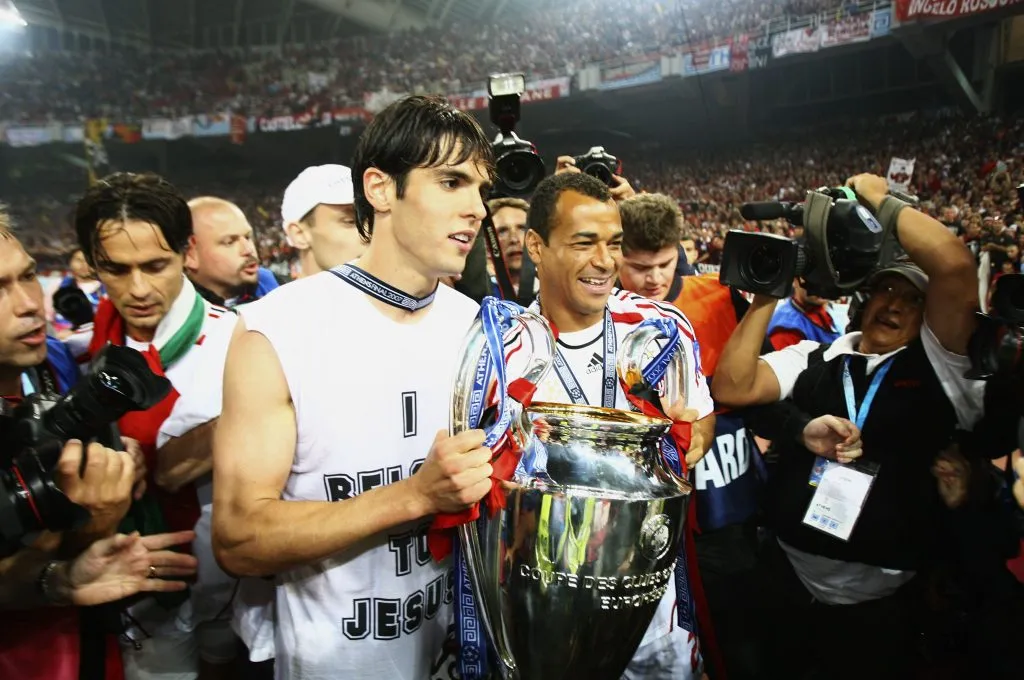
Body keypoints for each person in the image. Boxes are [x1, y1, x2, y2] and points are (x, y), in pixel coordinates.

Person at [212, 95, 495, 679]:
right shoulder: (277, 328)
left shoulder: (478, 325)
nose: (476, 209)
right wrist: (414, 497)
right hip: (334, 664)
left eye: (480, 189)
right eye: (451, 182)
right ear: (380, 188)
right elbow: (239, 537)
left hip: (459, 655)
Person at [712, 173, 983, 679]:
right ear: (866, 296)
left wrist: (879, 201)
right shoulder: (819, 353)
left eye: (913, 298)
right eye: (886, 288)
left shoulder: (942, 369)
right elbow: (732, 386)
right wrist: (768, 292)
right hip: (786, 580)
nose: (895, 303)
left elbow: (953, 265)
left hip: (881, 603)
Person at [513, 172, 714, 679]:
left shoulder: (661, 329)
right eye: (585, 243)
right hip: (550, 593)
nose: (606, 262)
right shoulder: (506, 346)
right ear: (536, 246)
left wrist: (680, 447)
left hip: (650, 594)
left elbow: (701, 420)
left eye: (614, 245)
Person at [0, 218, 195, 680]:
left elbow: (67, 564)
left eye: (28, 276)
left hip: (91, 651)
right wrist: (98, 518)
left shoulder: (57, 365)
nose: (30, 305)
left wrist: (116, 458)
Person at [71, 172, 241, 680]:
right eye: (116, 270)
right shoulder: (89, 348)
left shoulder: (242, 344)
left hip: (230, 593)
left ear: (187, 252)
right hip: (135, 593)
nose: (138, 289)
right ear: (92, 264)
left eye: (155, 265)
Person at [185, 197, 279, 308]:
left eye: (247, 237)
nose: (248, 250)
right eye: (229, 242)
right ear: (190, 255)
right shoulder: (177, 313)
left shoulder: (274, 285)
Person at [281, 164, 365, 278]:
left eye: (373, 221)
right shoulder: (279, 295)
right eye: (350, 221)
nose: (370, 234)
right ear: (299, 235)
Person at [766, 276, 842, 350]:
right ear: (795, 281)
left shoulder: (819, 308)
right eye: (812, 277)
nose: (821, 284)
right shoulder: (787, 330)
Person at [486, 197, 529, 295]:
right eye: (502, 231)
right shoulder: (476, 292)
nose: (514, 239)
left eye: (522, 229)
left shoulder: (555, 290)